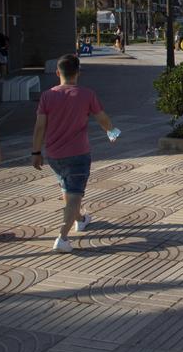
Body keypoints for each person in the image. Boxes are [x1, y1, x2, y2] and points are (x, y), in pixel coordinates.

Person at [31, 54, 118, 253]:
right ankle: (62, 237)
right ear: (78, 73)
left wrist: (36, 152)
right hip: (78, 154)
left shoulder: (47, 96)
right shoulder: (86, 94)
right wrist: (113, 133)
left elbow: (39, 127)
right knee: (74, 196)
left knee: (67, 189)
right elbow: (102, 118)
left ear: (57, 73)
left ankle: (80, 219)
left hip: (54, 155)